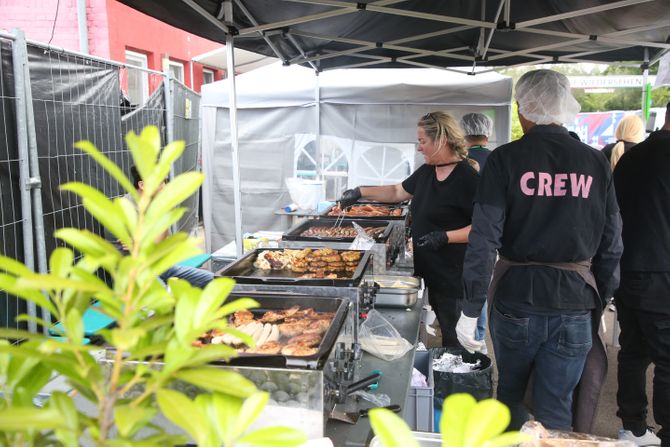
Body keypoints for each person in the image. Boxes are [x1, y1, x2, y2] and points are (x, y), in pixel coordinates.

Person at [456, 69, 623, 431]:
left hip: (516, 300)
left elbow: (483, 238)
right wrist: (603, 297)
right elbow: (612, 241)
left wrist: (471, 308)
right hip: (576, 302)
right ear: (564, 107)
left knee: (511, 402)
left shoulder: (504, 160)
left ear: (524, 110)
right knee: (557, 407)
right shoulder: (595, 162)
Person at [339, 111, 479, 348]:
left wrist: (445, 237)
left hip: (453, 274)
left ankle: (455, 376)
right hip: (429, 268)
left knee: (453, 334)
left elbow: (482, 228)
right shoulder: (427, 172)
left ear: (441, 140)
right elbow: (397, 192)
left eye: (423, 141)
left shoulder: (467, 178)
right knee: (441, 324)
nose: (418, 148)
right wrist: (360, 192)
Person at [612, 103, 670, 447]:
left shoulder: (631, 157)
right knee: (667, 359)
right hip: (661, 271)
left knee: (633, 350)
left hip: (628, 268)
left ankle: (632, 427)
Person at [108, 166, 213, 288]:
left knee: (211, 279)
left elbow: (158, 243)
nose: (165, 187)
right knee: (164, 297)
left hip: (155, 264)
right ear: (142, 185)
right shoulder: (125, 208)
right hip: (133, 273)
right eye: (161, 182)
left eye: (165, 181)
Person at [460, 112, 494, 345]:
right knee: (480, 281)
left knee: (461, 284)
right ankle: (478, 336)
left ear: (463, 133)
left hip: (456, 233)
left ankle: (458, 331)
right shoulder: (497, 160)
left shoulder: (457, 160)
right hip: (489, 234)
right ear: (487, 132)